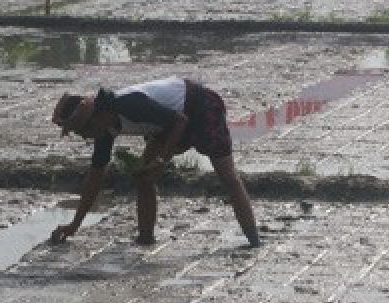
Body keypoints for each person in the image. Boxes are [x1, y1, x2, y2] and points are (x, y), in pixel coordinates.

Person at [50, 77, 261, 248]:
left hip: (199, 107)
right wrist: (74, 225)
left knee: (228, 177)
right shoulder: (104, 131)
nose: (87, 137)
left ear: (98, 116)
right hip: (165, 125)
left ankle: (253, 239)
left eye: (85, 130)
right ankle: (145, 239)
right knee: (144, 178)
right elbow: (94, 178)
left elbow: (180, 120)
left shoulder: (129, 104)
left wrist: (161, 160)